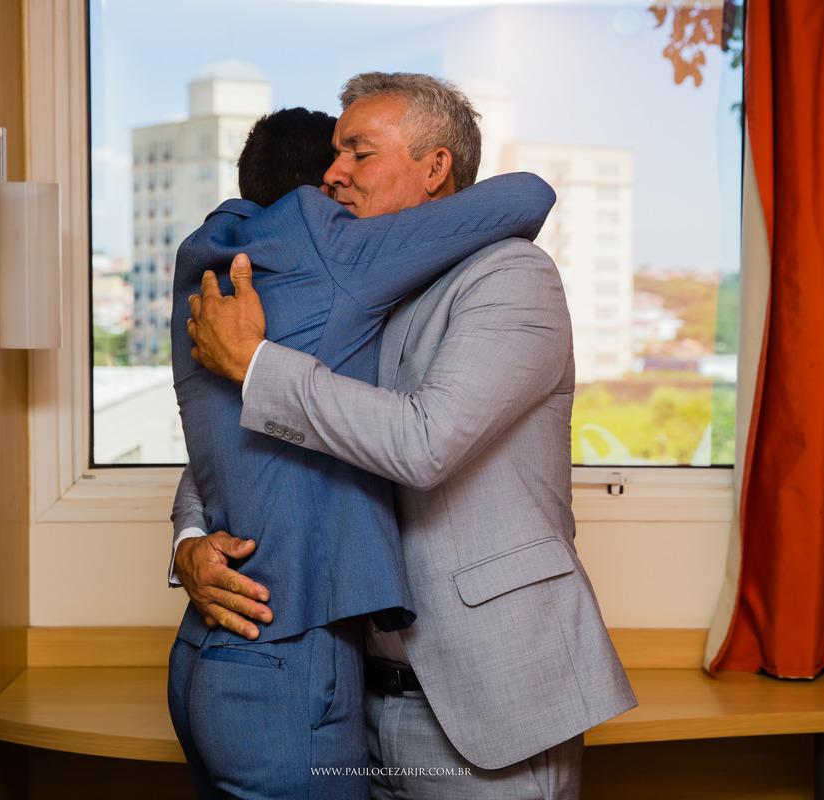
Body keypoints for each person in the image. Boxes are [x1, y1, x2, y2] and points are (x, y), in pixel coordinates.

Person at [180, 72, 637, 800]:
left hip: (490, 697)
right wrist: (191, 541)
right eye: (335, 153)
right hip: (352, 691)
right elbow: (241, 436)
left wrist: (257, 363)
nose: (332, 174)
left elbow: (426, 442)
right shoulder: (354, 284)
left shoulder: (512, 278)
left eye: (358, 153)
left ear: (435, 167)